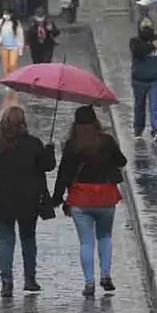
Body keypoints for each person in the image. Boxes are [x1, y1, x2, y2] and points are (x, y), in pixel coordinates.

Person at [0, 105, 57, 297]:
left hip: (0, 202)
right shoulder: (33, 144)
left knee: (6, 241)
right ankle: (30, 279)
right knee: (28, 238)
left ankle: (6, 282)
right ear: (23, 123)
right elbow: (47, 166)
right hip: (29, 201)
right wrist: (49, 151)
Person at [52, 106, 127, 297]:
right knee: (105, 237)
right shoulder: (106, 141)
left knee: (86, 241)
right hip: (105, 197)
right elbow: (122, 160)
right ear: (95, 122)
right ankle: (105, 274)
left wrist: (57, 197)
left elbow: (64, 174)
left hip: (80, 198)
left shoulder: (72, 145)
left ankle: (89, 282)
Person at [129, 17, 157, 141]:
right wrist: (152, 46)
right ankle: (138, 129)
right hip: (138, 80)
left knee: (154, 105)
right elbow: (139, 52)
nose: (147, 27)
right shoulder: (134, 41)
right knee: (139, 105)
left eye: (149, 24)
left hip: (155, 80)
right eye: (144, 25)